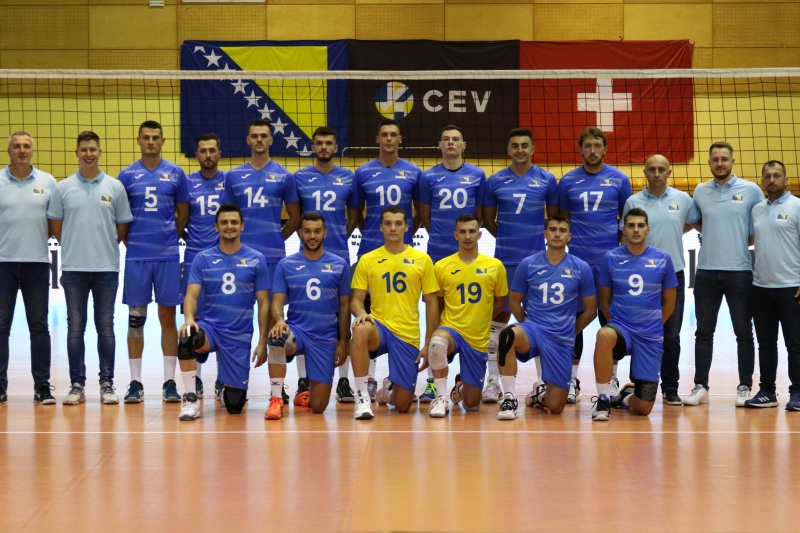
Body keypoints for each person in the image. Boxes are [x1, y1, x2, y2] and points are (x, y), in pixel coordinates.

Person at [47, 131, 132, 405]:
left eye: (93, 149)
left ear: (99, 152)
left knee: (105, 326)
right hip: (74, 269)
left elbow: (122, 226)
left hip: (107, 268)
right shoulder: (62, 188)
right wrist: (75, 246)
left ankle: (107, 384)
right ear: (77, 153)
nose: (88, 154)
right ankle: (77, 385)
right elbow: (56, 226)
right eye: (83, 149)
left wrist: (103, 246)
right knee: (75, 327)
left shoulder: (115, 187)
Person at [223, 118, 301, 404]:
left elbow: (295, 217)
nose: (258, 140)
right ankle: (232, 383)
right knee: (236, 321)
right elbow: (226, 216)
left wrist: (276, 238)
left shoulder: (284, 176)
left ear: (271, 140)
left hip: (272, 259)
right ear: (248, 140)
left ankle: (276, 390)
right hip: (239, 261)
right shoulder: (233, 176)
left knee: (273, 324)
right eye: (254, 135)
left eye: (263, 135)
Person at [481, 127, 558, 403]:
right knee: (497, 321)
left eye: (524, 145)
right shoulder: (495, 181)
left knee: (539, 321)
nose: (520, 150)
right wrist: (507, 238)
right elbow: (488, 220)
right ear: (508, 150)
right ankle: (493, 382)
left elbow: (553, 220)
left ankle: (543, 382)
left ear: (532, 149)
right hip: (504, 262)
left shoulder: (547, 179)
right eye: (514, 146)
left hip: (537, 264)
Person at [684, 142, 763, 407]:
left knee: (744, 332)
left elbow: (759, 227)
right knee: (703, 333)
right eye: (715, 159)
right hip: (706, 272)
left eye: (724, 159)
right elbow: (697, 220)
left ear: (732, 161)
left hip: (739, 272)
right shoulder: (700, 190)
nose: (720, 163)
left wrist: (737, 241)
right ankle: (700, 386)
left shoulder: (751, 190)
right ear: (709, 162)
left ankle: (744, 386)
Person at [558, 127, 632, 403]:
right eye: (587, 146)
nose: (592, 151)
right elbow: (563, 221)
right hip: (577, 263)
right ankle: (571, 380)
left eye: (597, 146)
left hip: (609, 263)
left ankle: (611, 378)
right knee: (574, 320)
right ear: (580, 149)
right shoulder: (568, 181)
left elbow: (626, 221)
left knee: (609, 320)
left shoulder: (619, 179)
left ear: (605, 149)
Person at [496, 215, 597, 419]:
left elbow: (590, 311)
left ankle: (539, 396)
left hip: (561, 339)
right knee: (508, 335)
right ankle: (509, 398)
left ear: (569, 237)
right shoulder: (528, 264)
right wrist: (528, 326)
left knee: (555, 407)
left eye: (562, 230)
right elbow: (514, 303)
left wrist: (571, 332)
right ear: (545, 233)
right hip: (534, 330)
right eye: (552, 229)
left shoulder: (581, 268)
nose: (557, 234)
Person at [177, 203, 270, 420]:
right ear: (216, 227)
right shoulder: (203, 258)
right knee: (187, 336)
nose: (229, 226)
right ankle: (191, 400)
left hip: (239, 335)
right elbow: (190, 296)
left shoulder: (257, 259)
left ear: (242, 226)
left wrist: (262, 342)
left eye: (234, 222)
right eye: (224, 222)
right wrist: (189, 318)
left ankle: (226, 386)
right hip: (211, 328)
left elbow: (264, 303)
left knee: (235, 407)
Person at [118, 120, 189, 404]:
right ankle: (135, 382)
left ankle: (169, 382)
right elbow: (121, 217)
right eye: (146, 137)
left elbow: (183, 213)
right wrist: (131, 242)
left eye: (155, 137)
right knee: (136, 318)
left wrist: (170, 238)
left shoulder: (176, 173)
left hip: (167, 257)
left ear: (162, 141)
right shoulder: (126, 175)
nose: (150, 142)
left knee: (168, 317)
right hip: (137, 256)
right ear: (138, 140)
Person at [621, 154, 700, 405]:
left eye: (661, 169)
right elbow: (625, 236)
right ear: (645, 172)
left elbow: (694, 223)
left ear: (669, 172)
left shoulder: (683, 199)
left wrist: (673, 230)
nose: (657, 173)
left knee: (671, 335)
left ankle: (670, 387)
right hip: (641, 278)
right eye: (652, 169)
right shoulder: (633, 201)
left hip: (672, 275)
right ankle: (638, 385)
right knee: (640, 332)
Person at [354, 119, 422, 400]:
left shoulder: (414, 172)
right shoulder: (362, 172)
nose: (389, 139)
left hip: (402, 252)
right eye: (384, 134)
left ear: (400, 139)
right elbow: (356, 213)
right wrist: (372, 234)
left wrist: (403, 236)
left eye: (394, 134)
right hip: (369, 252)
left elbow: (420, 213)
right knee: (366, 316)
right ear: (377, 139)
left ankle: (397, 378)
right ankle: (368, 379)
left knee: (402, 309)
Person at [350, 206, 439, 419]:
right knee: (360, 328)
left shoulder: (422, 260)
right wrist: (361, 312)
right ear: (381, 227)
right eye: (388, 223)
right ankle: (362, 397)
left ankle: (388, 391)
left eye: (398, 224)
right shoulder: (367, 259)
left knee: (403, 406)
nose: (393, 228)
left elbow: (432, 304)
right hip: (379, 327)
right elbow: (355, 301)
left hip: (407, 335)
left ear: (407, 227)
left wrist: (428, 343)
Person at [591, 208, 677, 421]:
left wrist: (654, 326)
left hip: (649, 335)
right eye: (631, 225)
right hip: (622, 329)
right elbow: (604, 300)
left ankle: (624, 398)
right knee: (604, 334)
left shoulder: (663, 258)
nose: (636, 230)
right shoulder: (611, 258)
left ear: (648, 229)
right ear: (624, 229)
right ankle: (603, 399)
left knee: (644, 407)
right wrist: (616, 324)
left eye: (640, 225)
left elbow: (670, 302)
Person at [264, 213, 351, 419]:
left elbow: (345, 307)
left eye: (317, 231)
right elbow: (277, 303)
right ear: (300, 233)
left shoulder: (339, 265)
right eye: (308, 231)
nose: (312, 236)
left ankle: (306, 395)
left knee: (319, 407)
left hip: (325, 338)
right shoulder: (286, 264)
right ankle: (276, 398)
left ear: (325, 233)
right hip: (298, 332)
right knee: (276, 336)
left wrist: (343, 342)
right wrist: (280, 320)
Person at [294, 127, 358, 402]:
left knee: (341, 314)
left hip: (339, 256)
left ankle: (343, 380)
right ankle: (302, 379)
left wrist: (339, 237)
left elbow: (353, 216)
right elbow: (296, 216)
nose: (323, 147)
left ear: (335, 147)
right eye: (319, 143)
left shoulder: (349, 177)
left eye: (328, 143)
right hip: (306, 257)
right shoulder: (299, 177)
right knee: (303, 314)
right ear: (312, 147)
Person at [426, 214, 507, 417]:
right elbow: (438, 305)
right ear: (456, 235)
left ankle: (461, 387)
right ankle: (441, 398)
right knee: (437, 342)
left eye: (472, 231)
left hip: (477, 338)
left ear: (479, 235)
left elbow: (501, 302)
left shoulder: (495, 266)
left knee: (472, 406)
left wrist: (481, 317)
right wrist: (430, 338)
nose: (467, 236)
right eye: (462, 232)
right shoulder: (441, 266)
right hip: (451, 329)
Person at [0, 132, 56, 405]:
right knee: (1, 326)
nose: (22, 150)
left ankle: (42, 386)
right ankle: (0, 386)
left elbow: (55, 222)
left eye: (26, 146)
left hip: (36, 263)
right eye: (17, 146)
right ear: (9, 150)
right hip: (3, 264)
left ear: (32, 150)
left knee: (39, 326)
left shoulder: (48, 181)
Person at [745, 161, 800, 410]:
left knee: (795, 344)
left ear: (786, 179)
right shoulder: (757, 209)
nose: (772, 180)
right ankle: (767, 391)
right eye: (767, 176)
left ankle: (797, 392)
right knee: (766, 345)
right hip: (761, 288)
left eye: (776, 175)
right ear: (762, 181)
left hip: (791, 288)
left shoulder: (797, 206)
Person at [183, 133, 226, 401]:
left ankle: (223, 380)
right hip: (194, 257)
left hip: (223, 260)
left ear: (219, 153)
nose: (207, 155)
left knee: (223, 319)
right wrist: (189, 239)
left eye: (212, 150)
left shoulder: (229, 181)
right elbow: (180, 217)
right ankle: (195, 380)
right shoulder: (186, 182)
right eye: (203, 150)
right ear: (197, 154)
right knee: (194, 318)